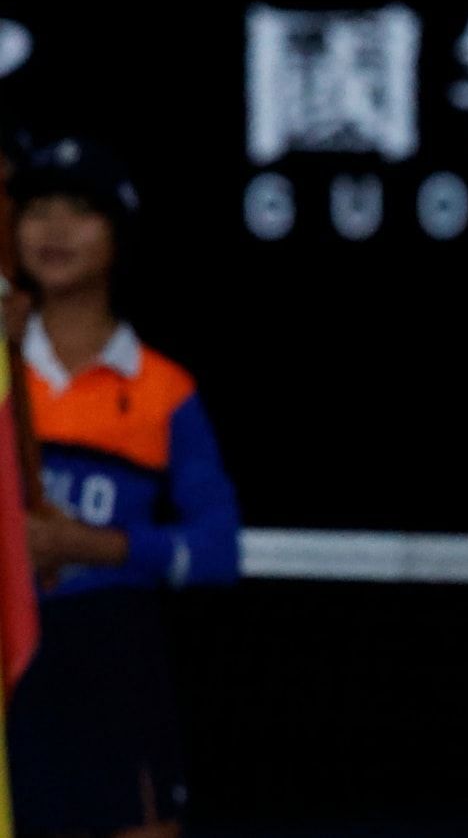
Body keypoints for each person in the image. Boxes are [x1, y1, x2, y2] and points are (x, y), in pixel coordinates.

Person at [3, 137, 241, 836]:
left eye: (80, 211)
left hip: (114, 657)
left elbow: (217, 550)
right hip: (10, 660)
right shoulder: (1, 373)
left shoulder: (162, 389)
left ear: (119, 232)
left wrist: (93, 546)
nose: (52, 229)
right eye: (36, 208)